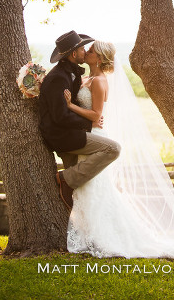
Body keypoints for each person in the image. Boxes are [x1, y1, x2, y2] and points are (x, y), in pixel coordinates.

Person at [63, 40, 174, 259]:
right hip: (87, 137)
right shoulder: (86, 78)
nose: (87, 52)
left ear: (100, 58)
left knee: (95, 186)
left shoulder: (100, 81)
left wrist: (70, 106)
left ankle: (104, 235)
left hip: (96, 137)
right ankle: (88, 230)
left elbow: (96, 115)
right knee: (89, 186)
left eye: (91, 51)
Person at [38, 30, 120, 211]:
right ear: (74, 54)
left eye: (89, 50)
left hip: (74, 131)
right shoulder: (60, 77)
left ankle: (79, 223)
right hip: (63, 135)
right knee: (113, 149)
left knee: (85, 187)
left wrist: (88, 119)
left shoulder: (74, 75)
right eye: (84, 49)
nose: (85, 51)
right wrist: (89, 123)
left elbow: (84, 108)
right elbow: (60, 116)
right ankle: (65, 179)